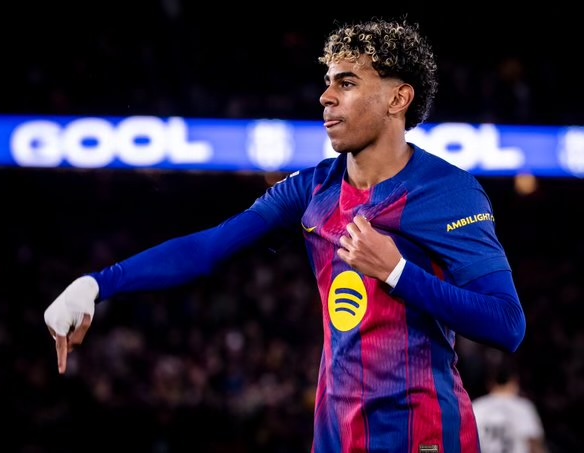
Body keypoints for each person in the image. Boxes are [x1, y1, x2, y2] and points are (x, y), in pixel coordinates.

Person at [44, 18, 526, 453]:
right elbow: (208, 248)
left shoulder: (449, 192)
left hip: (423, 435)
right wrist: (97, 284)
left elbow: (507, 324)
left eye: (347, 83)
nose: (326, 97)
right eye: (327, 83)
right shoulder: (311, 189)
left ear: (398, 99)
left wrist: (397, 271)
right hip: (334, 436)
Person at [472, 355, 548, 453]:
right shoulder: (523, 407)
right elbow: (534, 445)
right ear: (515, 382)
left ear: (490, 383)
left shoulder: (476, 406)